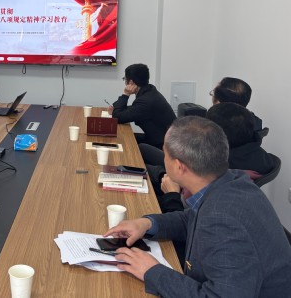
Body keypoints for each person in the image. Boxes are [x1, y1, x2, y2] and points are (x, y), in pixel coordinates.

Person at [104, 116, 291, 297]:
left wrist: (151, 271)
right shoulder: (232, 180)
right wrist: (148, 224)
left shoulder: (222, 220)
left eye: (165, 153)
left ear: (179, 167)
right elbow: (193, 218)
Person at [110, 63, 176, 148]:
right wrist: (116, 109)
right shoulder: (150, 91)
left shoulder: (145, 101)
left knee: (123, 142)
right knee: (124, 138)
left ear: (131, 82)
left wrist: (125, 94)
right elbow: (134, 109)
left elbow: (117, 118)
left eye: (125, 79)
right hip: (159, 139)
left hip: (164, 147)